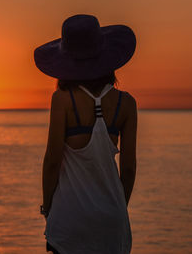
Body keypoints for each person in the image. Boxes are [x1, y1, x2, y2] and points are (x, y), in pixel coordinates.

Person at [34, 14, 137, 254]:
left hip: (70, 219)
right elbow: (129, 168)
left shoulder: (62, 100)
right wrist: (118, 208)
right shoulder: (126, 104)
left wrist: (48, 208)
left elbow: (52, 162)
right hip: (112, 220)